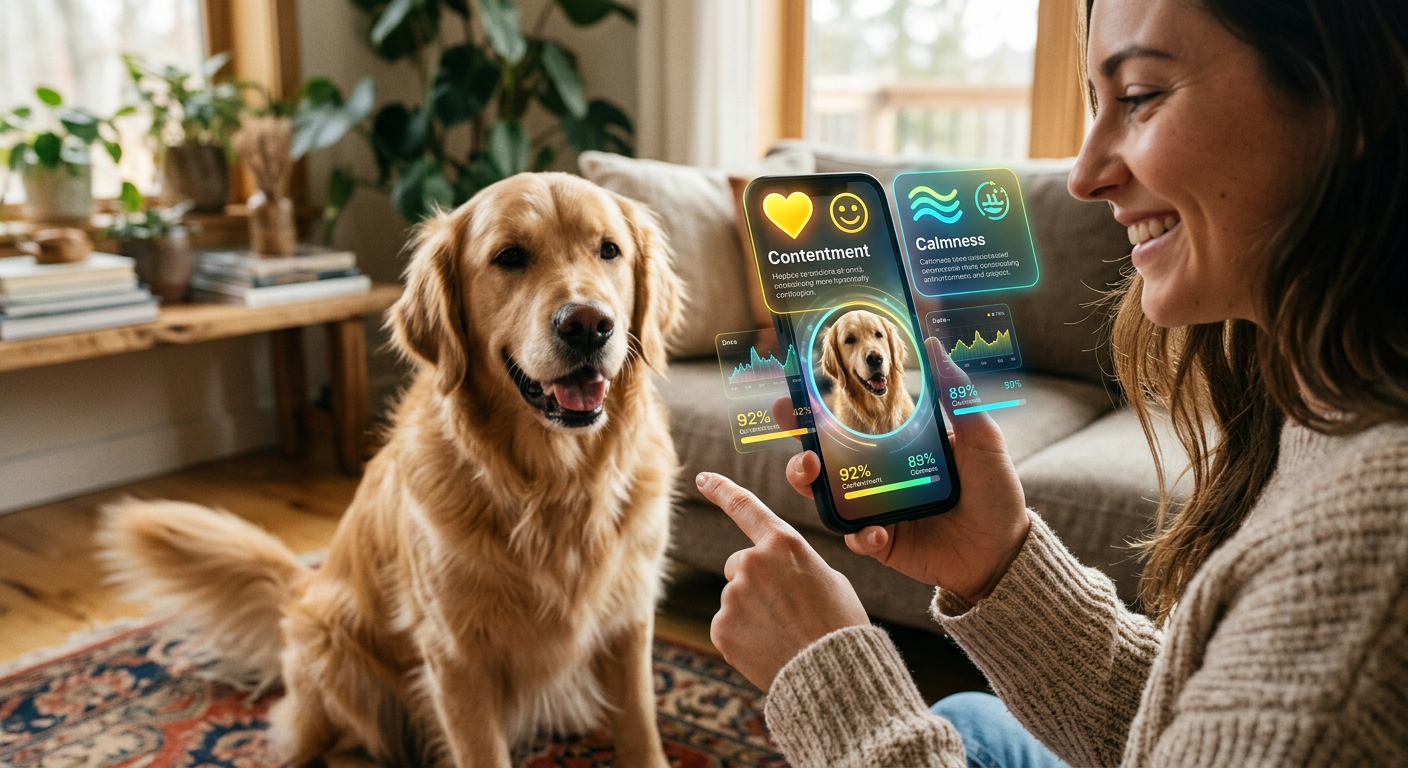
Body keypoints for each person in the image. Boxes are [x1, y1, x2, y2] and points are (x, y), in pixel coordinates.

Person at [695, 0, 1408, 765]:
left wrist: (830, 681)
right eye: (1097, 105)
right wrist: (997, 561)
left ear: (1350, 99)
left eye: (1137, 96)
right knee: (969, 715)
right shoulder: (1325, 398)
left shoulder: (1369, 560)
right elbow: (1198, 724)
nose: (1082, 176)